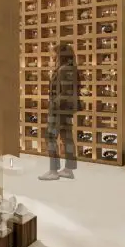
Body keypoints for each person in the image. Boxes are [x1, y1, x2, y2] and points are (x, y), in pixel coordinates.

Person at [38, 44, 79, 181]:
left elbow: (65, 93)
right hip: (65, 110)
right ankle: (68, 169)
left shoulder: (64, 70)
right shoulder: (71, 68)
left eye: (55, 53)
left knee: (50, 137)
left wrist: (53, 103)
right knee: (67, 137)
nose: (53, 56)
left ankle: (53, 170)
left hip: (58, 110)